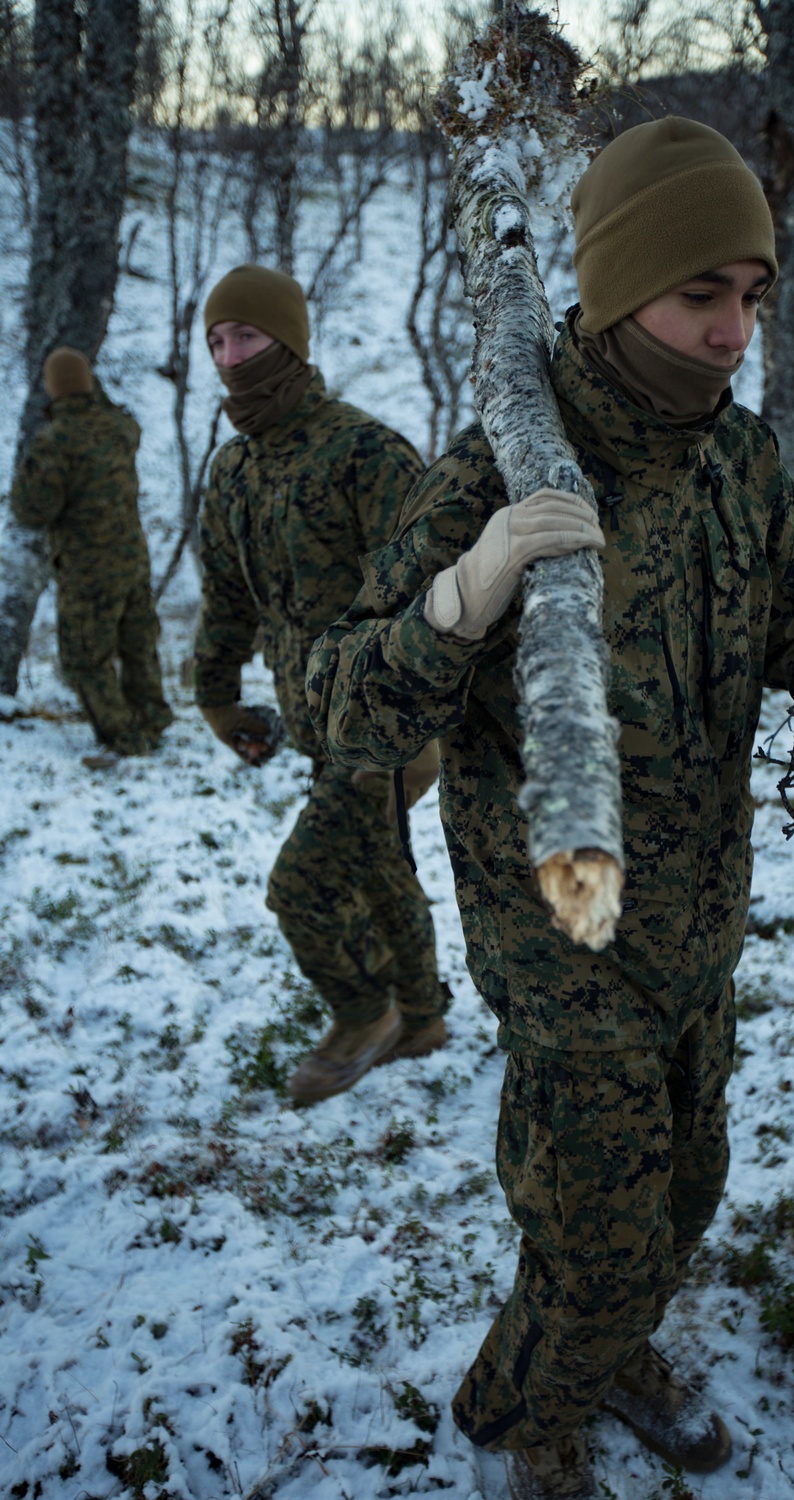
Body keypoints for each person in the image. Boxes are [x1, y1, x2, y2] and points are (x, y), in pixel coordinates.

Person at [306, 119, 794, 1497]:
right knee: (596, 1237)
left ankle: (609, 1353)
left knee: (687, 1191)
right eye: (702, 296)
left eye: (754, 296)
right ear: (620, 289)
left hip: (702, 937)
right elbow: (341, 709)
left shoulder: (741, 466)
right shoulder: (500, 470)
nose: (736, 332)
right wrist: (465, 595)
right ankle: (524, 1422)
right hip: (566, 961)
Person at [195, 263, 449, 1104]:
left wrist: (401, 721)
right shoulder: (234, 470)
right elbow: (228, 596)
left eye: (249, 336)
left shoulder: (365, 453)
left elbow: (434, 596)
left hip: (387, 726)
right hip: (314, 724)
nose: (232, 356)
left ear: (291, 343)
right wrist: (218, 695)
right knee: (378, 867)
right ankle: (420, 1017)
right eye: (218, 341)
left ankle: (362, 1013)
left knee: (300, 887)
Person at [10, 348, 173, 759]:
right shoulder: (121, 428)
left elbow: (32, 510)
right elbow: (115, 415)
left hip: (87, 568)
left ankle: (123, 737)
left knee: (85, 657)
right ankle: (152, 718)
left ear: (52, 389)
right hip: (133, 558)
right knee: (137, 642)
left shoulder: (55, 442)